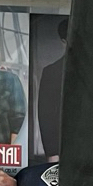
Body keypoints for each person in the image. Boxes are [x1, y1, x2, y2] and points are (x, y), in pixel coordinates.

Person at [37, 19, 67, 162]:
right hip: (64, 148)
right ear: (64, 41)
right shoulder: (52, 72)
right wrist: (52, 152)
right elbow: (46, 114)